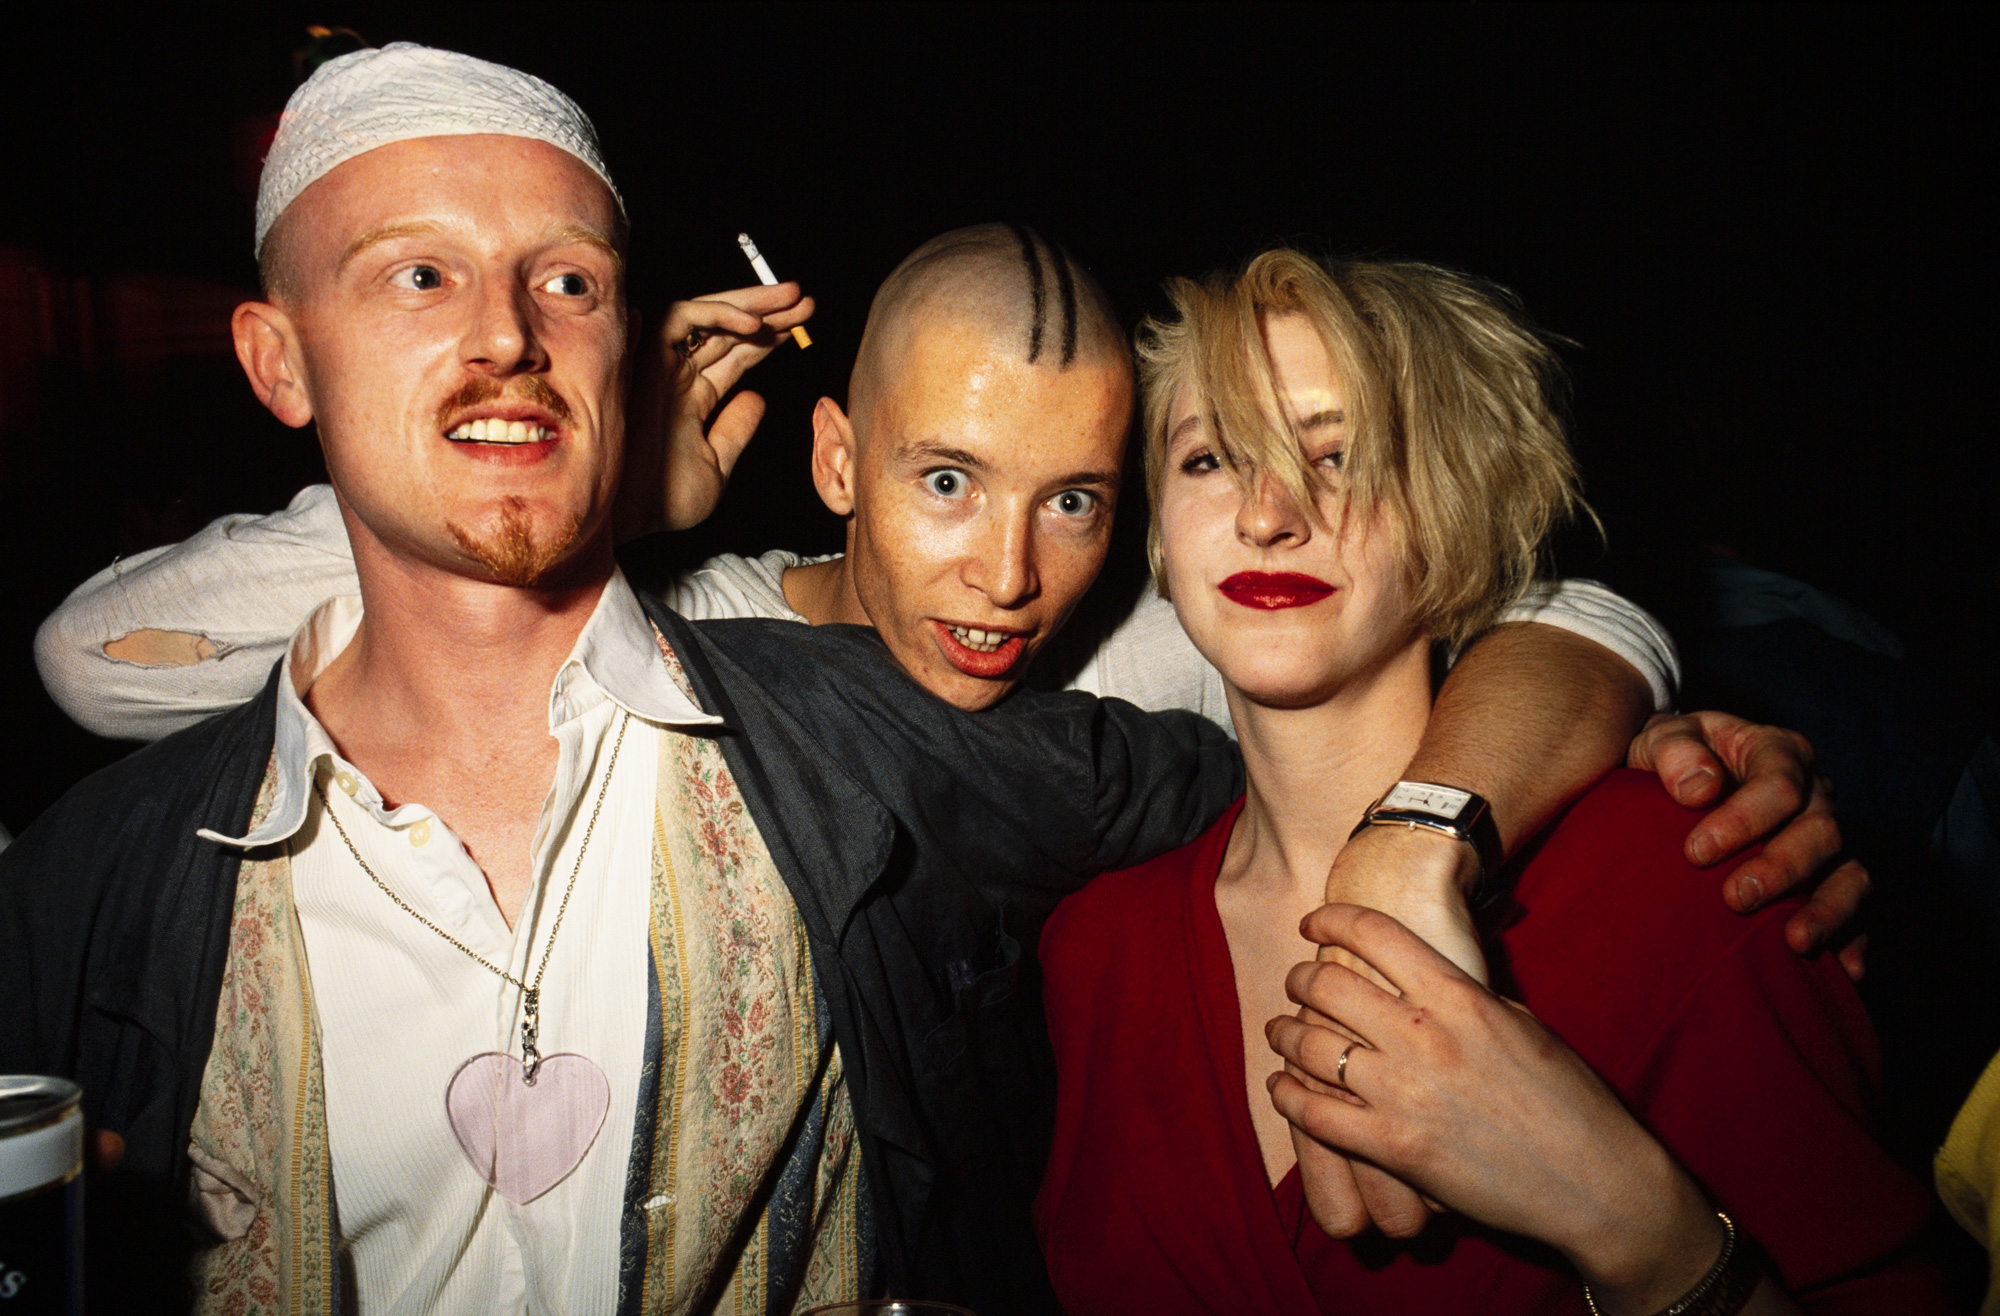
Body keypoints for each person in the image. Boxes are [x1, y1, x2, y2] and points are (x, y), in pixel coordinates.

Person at [3, 55, 1852, 1313]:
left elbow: (1515, 603)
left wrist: (1450, 812)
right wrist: (582, 470)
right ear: (832, 461)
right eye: (944, 483)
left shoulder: (1104, 665)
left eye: (1082, 498)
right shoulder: (716, 609)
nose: (1005, 577)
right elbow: (95, 661)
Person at [1036, 250, 1949, 1313]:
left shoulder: (1690, 871)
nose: (1268, 511)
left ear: (1459, 507)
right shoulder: (1093, 943)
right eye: (1209, 460)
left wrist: (1633, 1223)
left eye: (1342, 456)